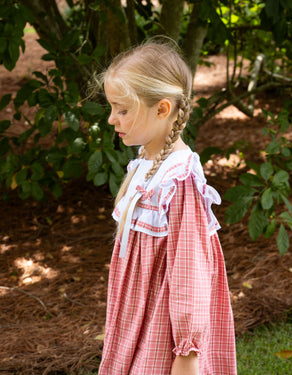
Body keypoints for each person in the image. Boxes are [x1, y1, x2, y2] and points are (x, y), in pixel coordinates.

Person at [96, 41, 237, 375]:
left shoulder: (180, 179)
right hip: (137, 311)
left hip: (164, 319)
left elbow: (191, 271)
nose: (111, 118)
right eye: (112, 107)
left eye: (122, 109)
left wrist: (187, 353)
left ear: (162, 109)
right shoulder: (146, 163)